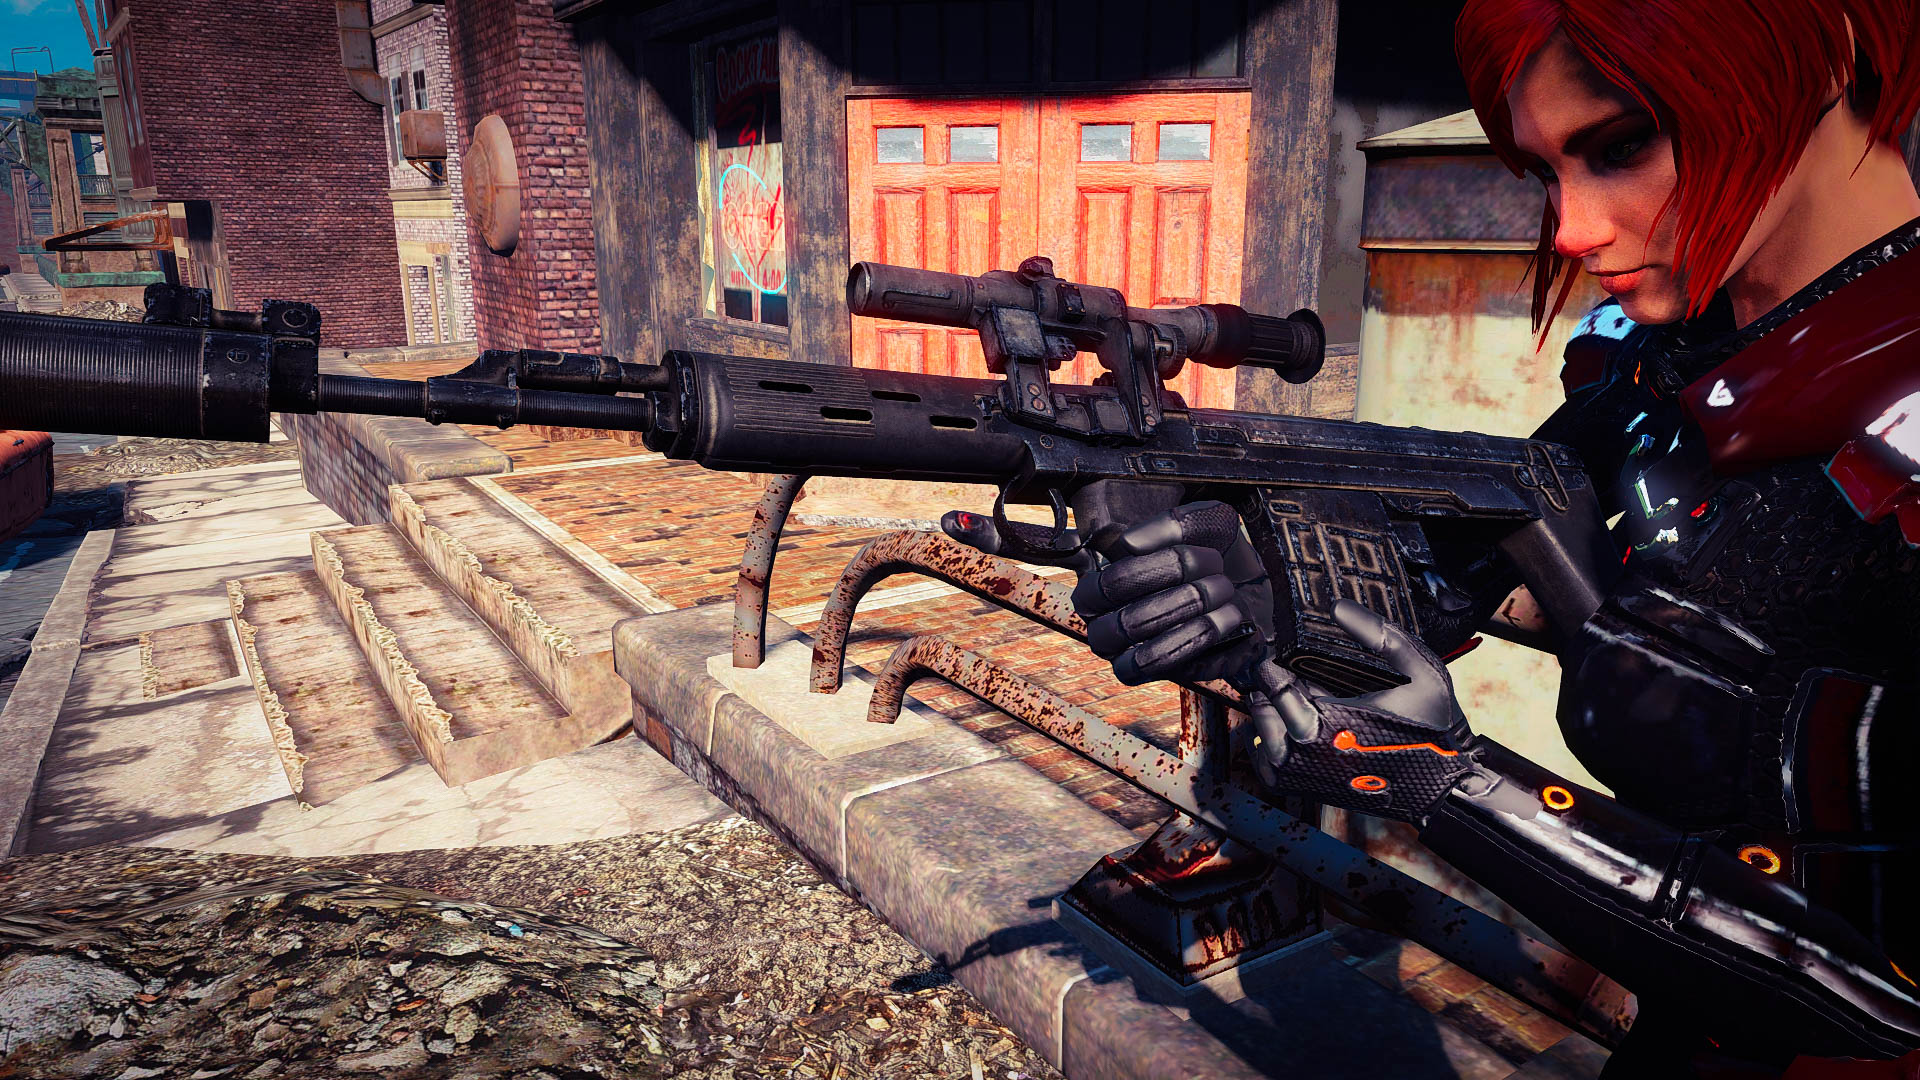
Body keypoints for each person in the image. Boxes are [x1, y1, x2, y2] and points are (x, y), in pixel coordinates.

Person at [948, 1, 1920, 1075]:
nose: (1572, 228)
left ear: (1829, 50)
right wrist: (1252, 585)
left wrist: (1449, 783)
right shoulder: (1663, 370)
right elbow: (1449, 567)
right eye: (1546, 171)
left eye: (1622, 145)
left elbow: (1887, 1006)